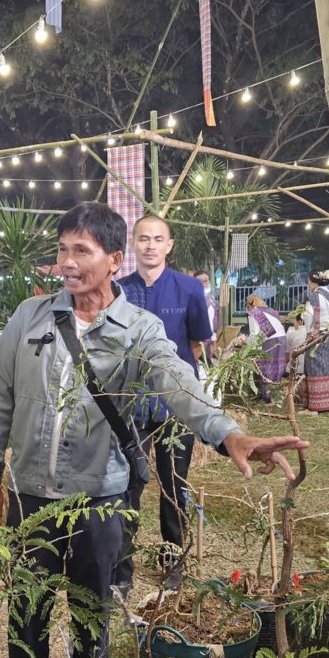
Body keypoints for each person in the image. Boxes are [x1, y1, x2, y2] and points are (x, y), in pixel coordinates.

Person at [0, 202, 308, 658]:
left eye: (81, 250)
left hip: (100, 496)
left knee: (93, 609)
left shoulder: (139, 329)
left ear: (113, 259)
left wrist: (230, 435)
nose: (67, 262)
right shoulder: (29, 317)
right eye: (62, 249)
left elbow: (178, 383)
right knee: (26, 608)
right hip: (30, 492)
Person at [118, 215, 212, 582]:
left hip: (175, 401)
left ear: (169, 245)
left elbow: (195, 344)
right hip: (131, 403)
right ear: (133, 243)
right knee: (128, 481)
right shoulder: (119, 290)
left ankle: (173, 558)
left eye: (158, 239)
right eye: (144, 238)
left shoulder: (188, 289)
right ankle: (121, 561)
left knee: (175, 481)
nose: (150, 246)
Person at [302, 269, 329, 413]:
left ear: (314, 282)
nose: (308, 285)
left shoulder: (314, 296)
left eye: (309, 282)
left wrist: (309, 333)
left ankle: (316, 406)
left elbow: (309, 316)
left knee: (315, 368)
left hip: (317, 337)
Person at [195, 270, 219, 363]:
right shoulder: (192, 299)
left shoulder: (211, 300)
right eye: (202, 281)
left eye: (207, 280)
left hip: (208, 341)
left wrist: (214, 343)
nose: (206, 283)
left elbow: (213, 324)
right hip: (196, 342)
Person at [285, 313, 308, 407]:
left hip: (294, 366)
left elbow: (287, 351)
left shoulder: (293, 333)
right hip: (306, 366)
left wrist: (286, 361)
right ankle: (302, 399)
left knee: (291, 379)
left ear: (299, 321)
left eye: (295, 321)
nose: (294, 323)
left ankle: (291, 398)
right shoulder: (310, 333)